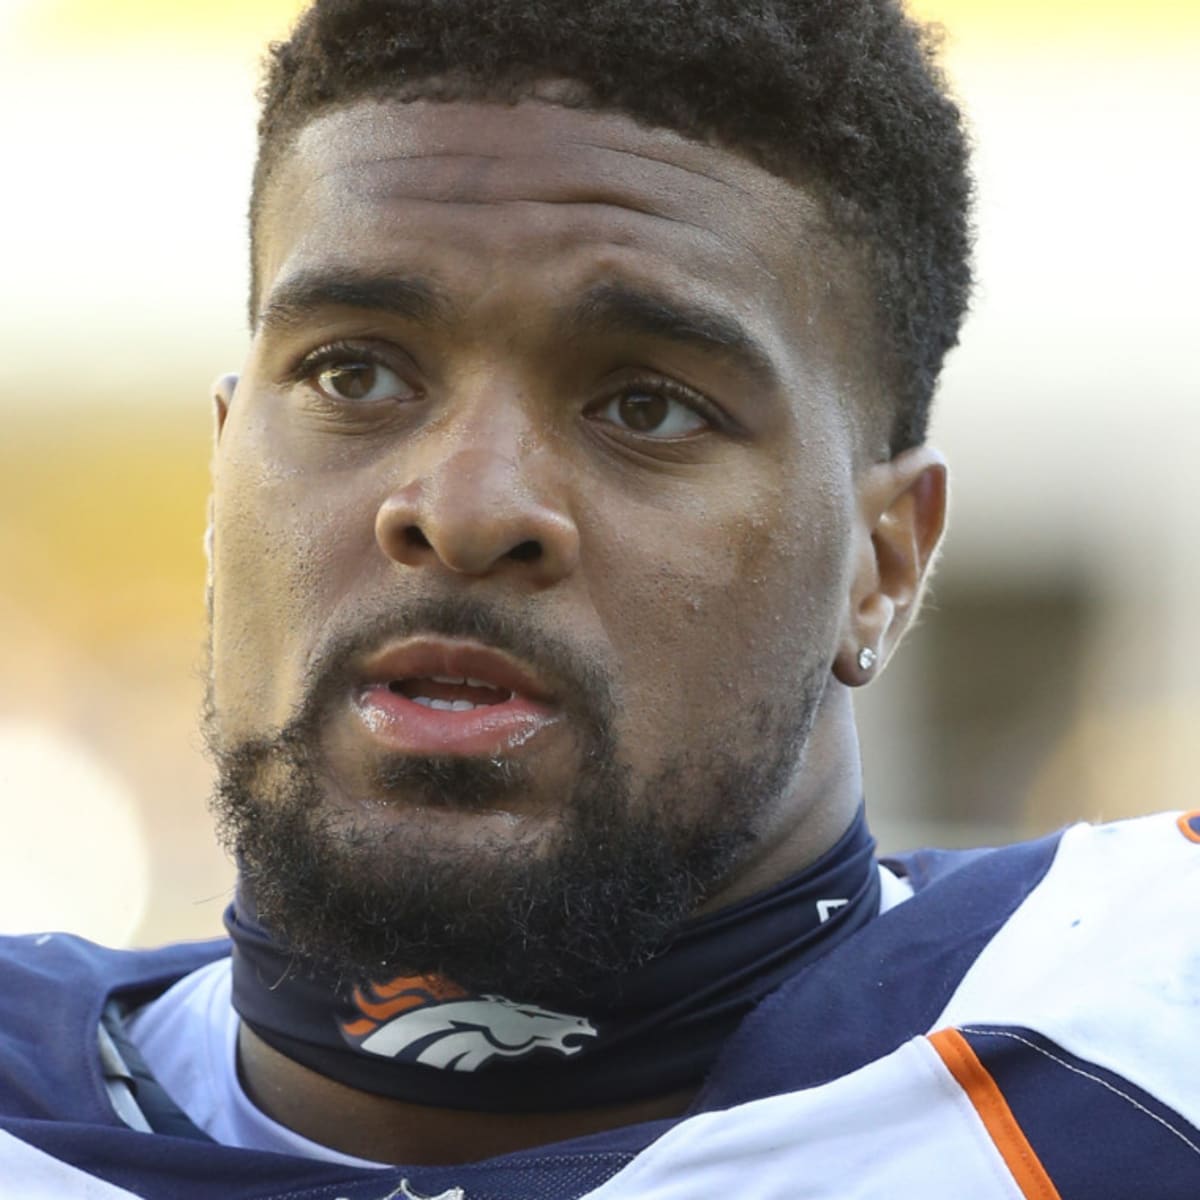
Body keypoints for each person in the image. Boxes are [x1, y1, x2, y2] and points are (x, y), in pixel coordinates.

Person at [2, 0, 1197, 1195]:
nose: (467, 509)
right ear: (225, 470)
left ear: (883, 563)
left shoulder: (1141, 1053)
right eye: (351, 372)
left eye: (647, 406)